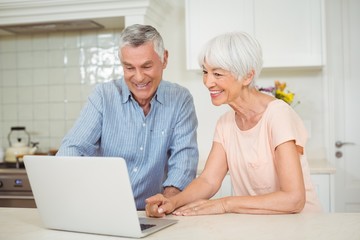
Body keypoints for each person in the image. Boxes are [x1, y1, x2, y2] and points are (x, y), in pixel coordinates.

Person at [145, 31, 322, 217]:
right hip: (261, 227)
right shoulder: (225, 123)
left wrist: (225, 204)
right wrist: (172, 202)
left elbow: (294, 199)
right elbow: (208, 180)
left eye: (218, 74)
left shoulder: (278, 114)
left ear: (247, 76)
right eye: (205, 72)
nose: (208, 82)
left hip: (302, 226)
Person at [56, 24, 199, 210]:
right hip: (102, 210)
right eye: (129, 68)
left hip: (151, 214)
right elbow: (74, 148)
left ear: (164, 59)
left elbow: (183, 162)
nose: (139, 78)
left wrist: (167, 202)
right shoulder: (103, 96)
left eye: (147, 66)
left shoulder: (180, 99)